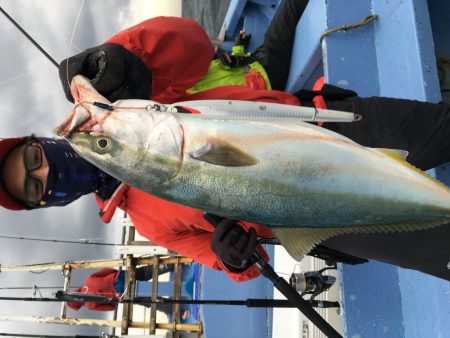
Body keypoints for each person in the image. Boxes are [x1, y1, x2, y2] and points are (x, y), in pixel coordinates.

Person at [1, 0, 450, 282]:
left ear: (39, 141)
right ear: (50, 203)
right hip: (328, 217)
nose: (45, 170)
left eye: (34, 157)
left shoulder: (142, 103)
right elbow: (236, 268)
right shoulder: (150, 225)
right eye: (36, 186)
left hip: (323, 135)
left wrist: (124, 59)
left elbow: (191, 42)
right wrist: (234, 259)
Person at [66, 264, 190, 321]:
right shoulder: (88, 280)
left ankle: (181, 312)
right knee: (146, 272)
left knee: (151, 301)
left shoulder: (90, 305)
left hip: (122, 293)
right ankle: (172, 265)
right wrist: (117, 275)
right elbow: (106, 270)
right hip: (120, 277)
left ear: (79, 305)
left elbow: (111, 307)